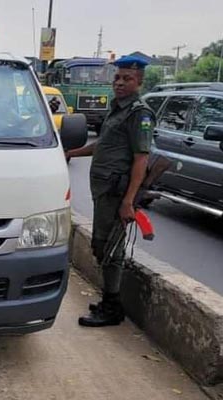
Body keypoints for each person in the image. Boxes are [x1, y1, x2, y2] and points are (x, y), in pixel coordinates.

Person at [65, 55, 155, 327]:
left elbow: (141, 159)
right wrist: (70, 153)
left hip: (117, 194)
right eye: (117, 77)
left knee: (111, 249)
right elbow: (102, 145)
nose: (120, 83)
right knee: (101, 246)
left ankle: (112, 306)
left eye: (127, 78)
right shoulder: (117, 109)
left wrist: (128, 201)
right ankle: (109, 301)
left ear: (139, 81)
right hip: (103, 192)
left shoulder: (139, 113)